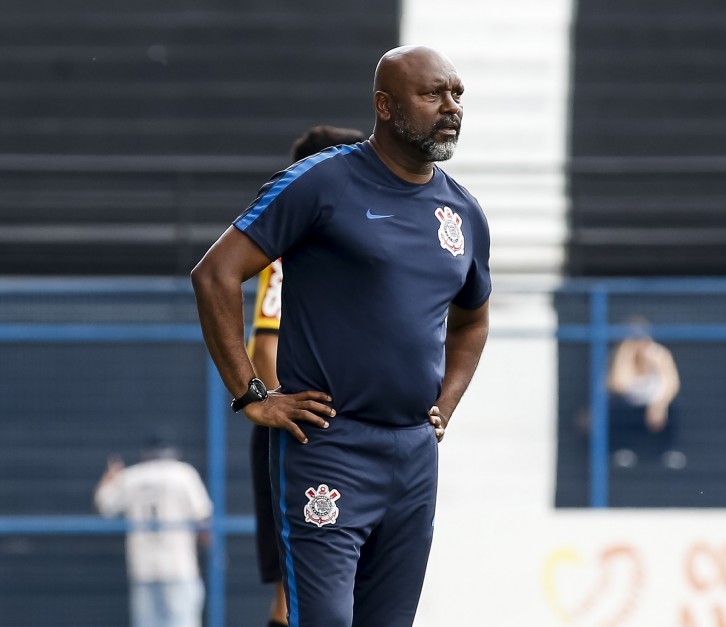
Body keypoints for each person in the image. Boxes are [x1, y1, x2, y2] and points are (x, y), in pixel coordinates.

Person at [191, 45, 491, 627]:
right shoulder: (322, 181)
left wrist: (447, 401)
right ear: (385, 105)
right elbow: (214, 274)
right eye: (433, 94)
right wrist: (252, 393)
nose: (450, 107)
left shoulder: (463, 212)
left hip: (413, 456)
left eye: (456, 94)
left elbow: (473, 319)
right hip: (328, 446)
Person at [247, 124, 366, 627]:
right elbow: (264, 343)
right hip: (301, 431)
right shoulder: (288, 250)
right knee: (294, 598)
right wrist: (285, 408)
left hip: (339, 432)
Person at [94, 437, 213, 627]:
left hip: (143, 568)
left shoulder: (132, 476)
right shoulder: (182, 473)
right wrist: (208, 547)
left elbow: (104, 503)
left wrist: (110, 477)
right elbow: (203, 517)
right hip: (178, 567)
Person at [604, 317, 684, 469]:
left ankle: (669, 450)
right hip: (630, 407)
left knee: (675, 405)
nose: (639, 344)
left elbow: (672, 384)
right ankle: (622, 448)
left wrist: (658, 406)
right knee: (615, 406)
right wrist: (625, 356)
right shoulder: (621, 356)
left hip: (654, 407)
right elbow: (618, 386)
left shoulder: (659, 355)